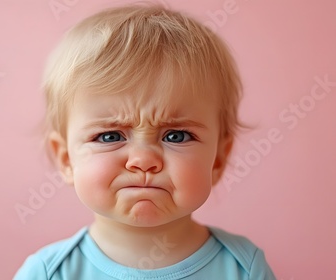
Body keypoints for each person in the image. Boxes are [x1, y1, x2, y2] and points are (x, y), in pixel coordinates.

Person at [15, 3, 276, 279]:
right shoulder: (47, 273)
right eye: (110, 136)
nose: (143, 160)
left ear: (218, 159)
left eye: (176, 136)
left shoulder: (244, 269)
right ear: (66, 159)